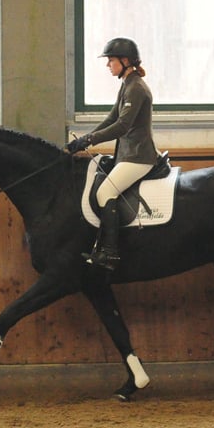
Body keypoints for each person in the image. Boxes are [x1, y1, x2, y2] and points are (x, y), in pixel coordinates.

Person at [66, 37, 159, 271]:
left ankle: (110, 253)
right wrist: (84, 140)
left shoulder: (136, 88)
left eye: (111, 61)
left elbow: (122, 127)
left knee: (106, 191)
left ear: (125, 61)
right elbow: (111, 119)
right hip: (128, 154)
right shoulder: (127, 84)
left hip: (139, 156)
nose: (108, 65)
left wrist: (90, 140)